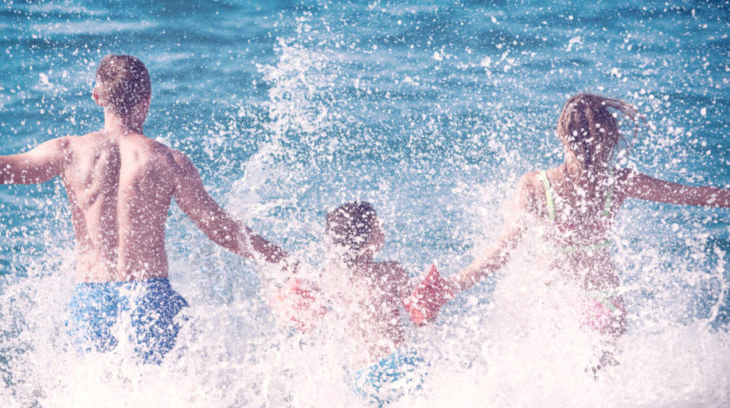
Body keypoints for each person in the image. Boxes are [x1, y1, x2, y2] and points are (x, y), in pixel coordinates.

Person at [0, 54, 288, 364]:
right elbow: (220, 229)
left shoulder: (69, 152)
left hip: (91, 302)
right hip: (151, 300)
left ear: (97, 97)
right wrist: (281, 260)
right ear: (147, 101)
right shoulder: (168, 161)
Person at [405, 93, 730, 368]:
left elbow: (501, 252)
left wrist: (449, 287)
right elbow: (693, 195)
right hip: (606, 302)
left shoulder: (536, 185)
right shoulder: (618, 182)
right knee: (600, 384)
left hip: (554, 302)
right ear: (608, 135)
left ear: (560, 133)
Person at [274, 201, 426, 406]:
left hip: (362, 376)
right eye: (376, 224)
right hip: (398, 363)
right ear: (367, 239)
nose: (381, 224)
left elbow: (308, 310)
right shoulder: (391, 271)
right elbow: (419, 313)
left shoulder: (329, 278)